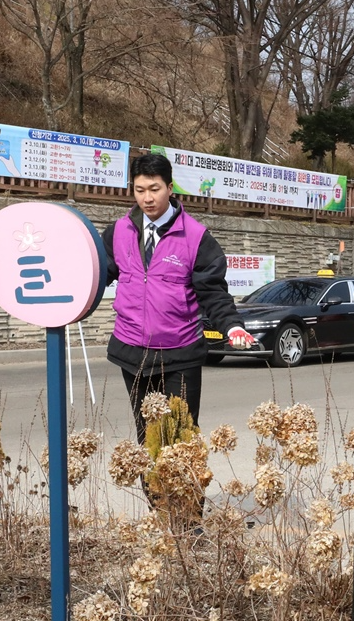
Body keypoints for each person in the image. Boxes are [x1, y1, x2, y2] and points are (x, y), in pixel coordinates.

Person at [102, 152, 254, 441]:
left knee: (181, 440)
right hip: (132, 351)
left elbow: (213, 292)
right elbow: (96, 275)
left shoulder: (196, 237)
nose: (147, 198)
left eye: (154, 189)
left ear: (170, 188)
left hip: (180, 354)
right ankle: (150, 474)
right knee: (148, 439)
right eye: (140, 190)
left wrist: (232, 326)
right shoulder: (118, 232)